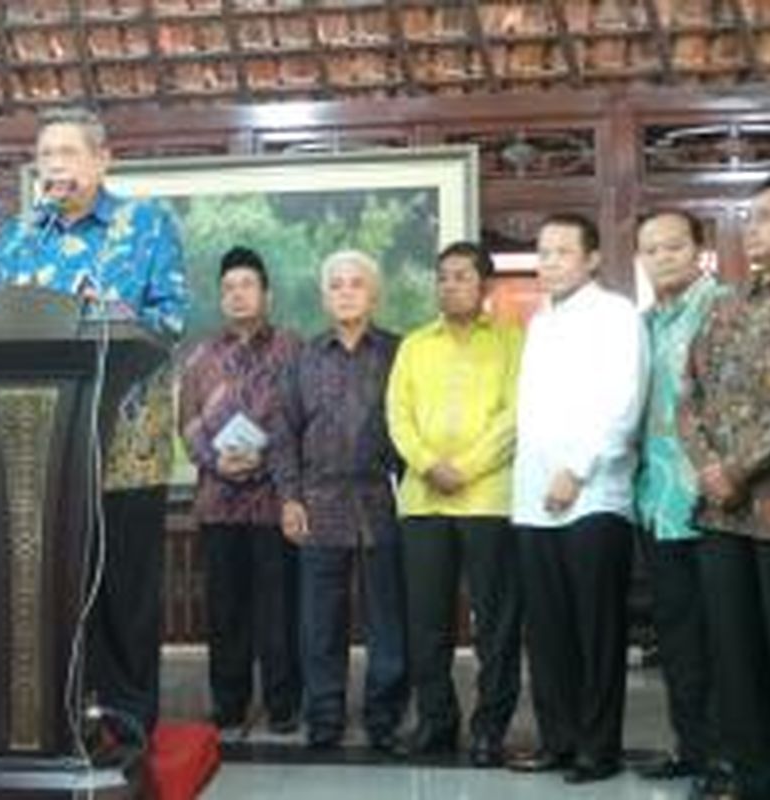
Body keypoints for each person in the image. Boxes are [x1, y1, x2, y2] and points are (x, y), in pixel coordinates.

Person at [0, 106, 187, 740]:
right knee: (48, 587)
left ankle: (128, 718)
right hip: (39, 447)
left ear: (104, 159)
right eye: (45, 155)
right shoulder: (19, 235)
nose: (54, 167)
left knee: (123, 586)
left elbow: (173, 316)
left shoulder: (146, 225)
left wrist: (115, 315)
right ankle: (50, 712)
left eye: (68, 154)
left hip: (126, 445)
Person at [508, 213, 647, 783]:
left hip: (593, 497)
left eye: (563, 252)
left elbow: (624, 402)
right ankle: (558, 739)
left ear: (592, 259)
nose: (550, 262)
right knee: (547, 631)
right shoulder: (540, 321)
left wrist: (578, 469)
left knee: (596, 629)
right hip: (533, 498)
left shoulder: (616, 316)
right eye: (543, 252)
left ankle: (598, 748)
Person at [385, 241, 523, 767]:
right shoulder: (415, 345)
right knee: (426, 623)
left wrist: (462, 468)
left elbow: (515, 416)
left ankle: (491, 728)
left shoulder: (513, 342)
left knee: (496, 622)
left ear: (484, 286)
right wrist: (426, 463)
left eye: (462, 277)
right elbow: (397, 415)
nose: (450, 285)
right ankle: (436, 722)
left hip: (488, 500)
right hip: (423, 503)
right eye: (442, 277)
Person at [270, 249, 406, 751]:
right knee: (319, 622)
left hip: (382, 504)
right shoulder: (303, 357)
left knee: (388, 620)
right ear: (324, 296)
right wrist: (289, 498)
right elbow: (283, 434)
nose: (346, 292)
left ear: (374, 293)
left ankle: (384, 716)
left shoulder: (398, 352)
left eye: (356, 284)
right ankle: (324, 715)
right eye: (336, 285)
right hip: (318, 505)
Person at [679, 173, 770, 800]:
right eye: (752, 217)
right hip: (720, 514)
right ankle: (756, 778)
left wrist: (738, 468)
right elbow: (686, 395)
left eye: (768, 216)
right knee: (736, 653)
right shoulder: (725, 304)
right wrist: (709, 465)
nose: (754, 227)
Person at [178, 246, 302, 738]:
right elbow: (186, 422)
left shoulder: (293, 348)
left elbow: (302, 417)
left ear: (266, 294)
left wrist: (266, 457)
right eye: (228, 288)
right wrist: (215, 459)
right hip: (218, 504)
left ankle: (284, 702)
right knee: (225, 610)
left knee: (279, 609)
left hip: (275, 502)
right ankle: (228, 704)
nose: (237, 295)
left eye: (247, 285)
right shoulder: (200, 356)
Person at [631, 210, 726, 783]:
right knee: (679, 637)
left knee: (728, 640)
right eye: (651, 249)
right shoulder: (641, 325)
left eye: (673, 247)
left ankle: (733, 755)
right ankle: (692, 749)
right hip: (657, 505)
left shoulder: (725, 308)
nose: (662, 257)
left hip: (718, 503)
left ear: (700, 250)